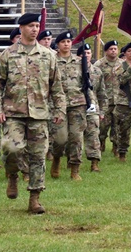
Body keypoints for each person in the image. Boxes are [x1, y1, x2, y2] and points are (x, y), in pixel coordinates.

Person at [0, 13, 66, 214]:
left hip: (39, 114)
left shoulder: (48, 55)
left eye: (37, 25)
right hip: (13, 112)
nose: (35, 29)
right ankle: (12, 176)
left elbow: (56, 87)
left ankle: (35, 198)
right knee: (12, 149)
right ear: (21, 28)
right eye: (31, 26)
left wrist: (60, 109)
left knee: (38, 157)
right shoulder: (7, 55)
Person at [49, 31, 87, 180]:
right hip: (58, 105)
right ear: (58, 45)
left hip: (77, 103)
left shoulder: (79, 61)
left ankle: (75, 169)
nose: (66, 44)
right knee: (60, 139)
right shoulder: (52, 61)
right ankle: (57, 158)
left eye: (69, 41)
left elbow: (86, 83)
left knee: (76, 138)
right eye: (63, 41)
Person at [93, 40, 121, 156]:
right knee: (103, 126)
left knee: (117, 125)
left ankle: (116, 147)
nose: (113, 51)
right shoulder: (99, 64)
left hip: (119, 99)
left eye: (115, 49)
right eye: (111, 49)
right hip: (105, 101)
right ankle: (101, 144)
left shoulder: (122, 63)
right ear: (106, 51)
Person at [80, 43, 104, 172]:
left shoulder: (97, 71)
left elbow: (102, 92)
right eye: (84, 53)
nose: (87, 55)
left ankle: (94, 163)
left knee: (93, 135)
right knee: (75, 137)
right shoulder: (74, 69)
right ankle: (72, 161)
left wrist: (102, 110)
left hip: (93, 107)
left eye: (89, 53)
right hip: (76, 105)